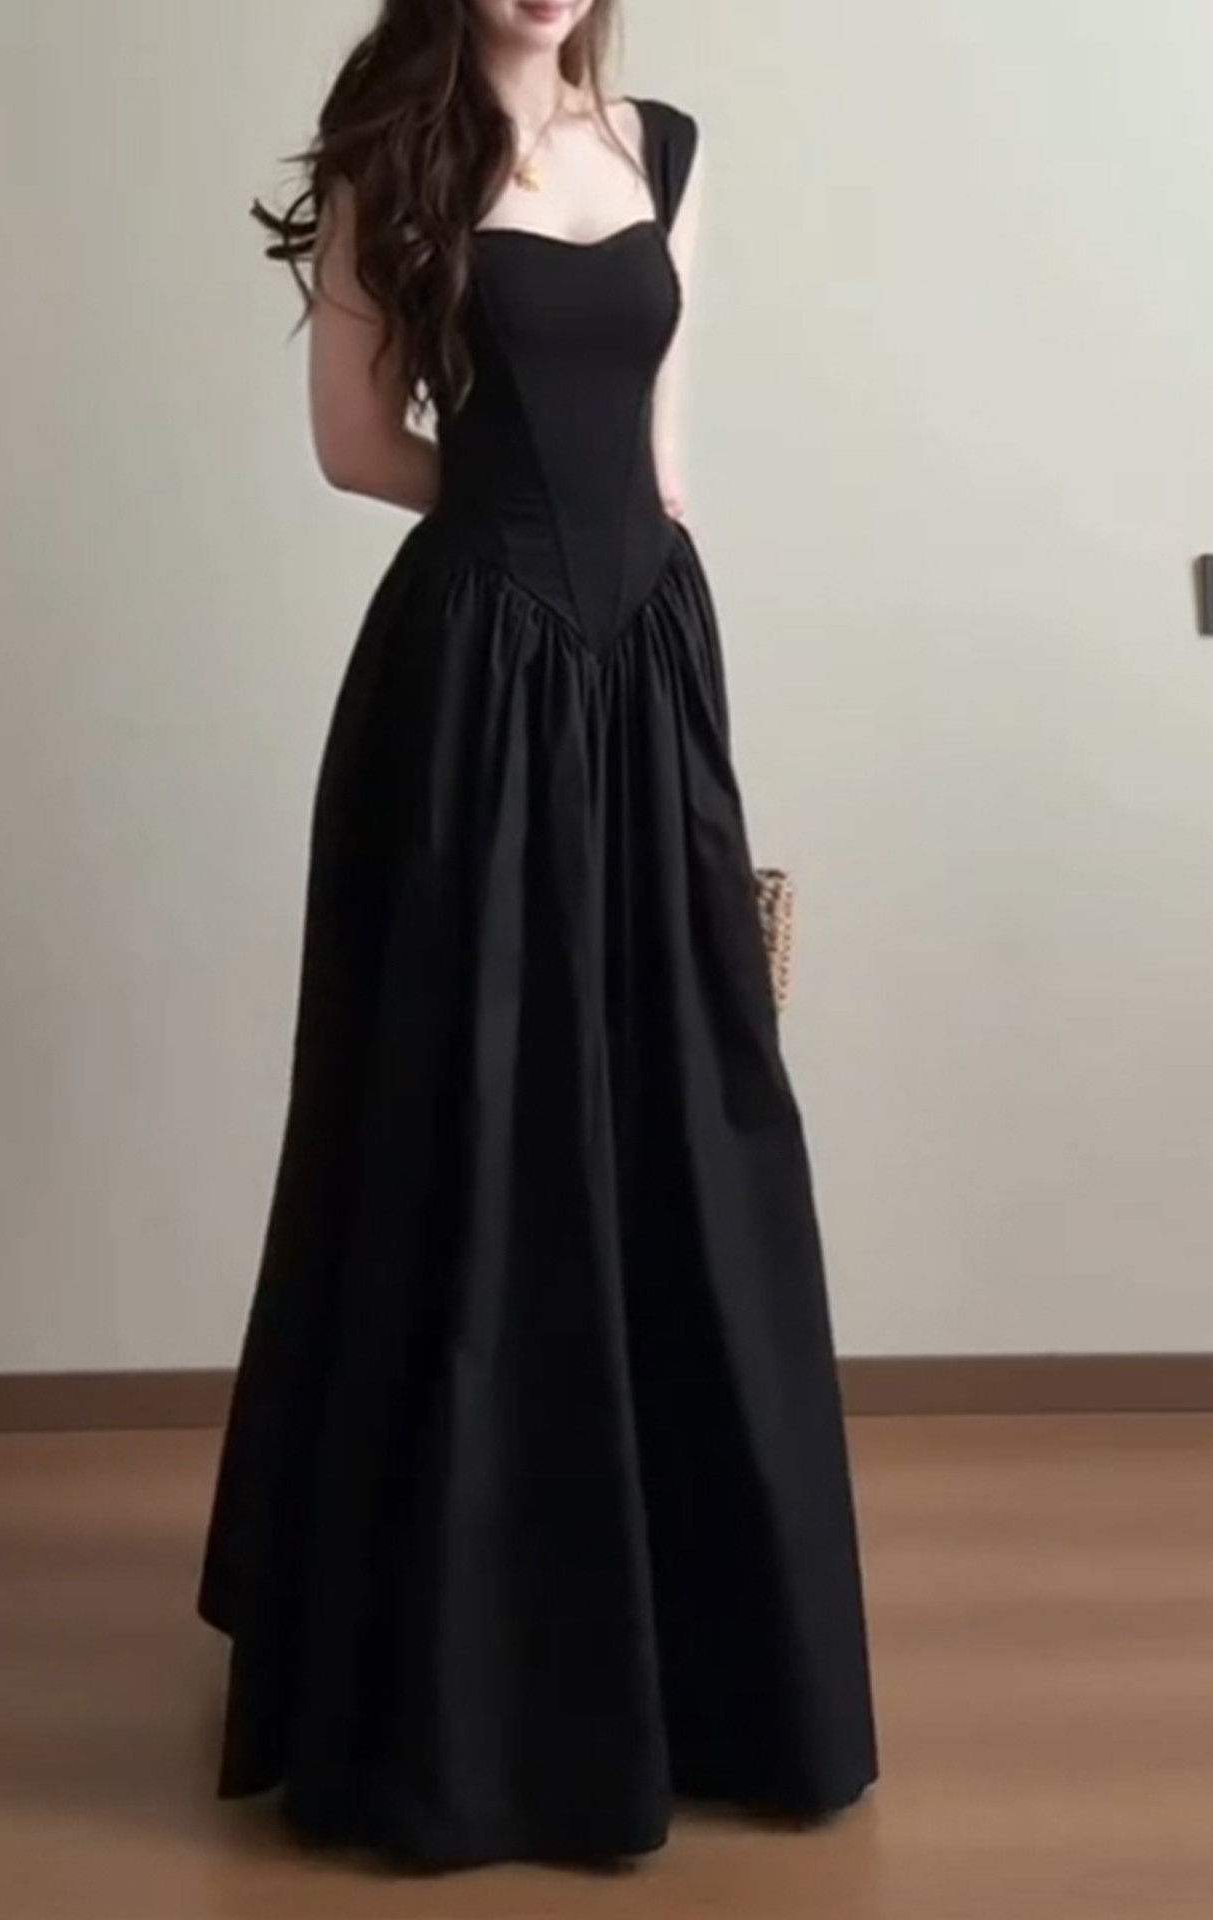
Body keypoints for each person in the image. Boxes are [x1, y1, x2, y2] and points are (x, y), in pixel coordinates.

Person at [199, 0, 878, 1871]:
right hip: (475, 678)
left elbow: (660, 440)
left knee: (687, 1114)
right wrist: (516, 508)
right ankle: (462, 1689)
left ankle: (707, 1669)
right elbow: (356, 447)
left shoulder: (664, 150)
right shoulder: (391, 157)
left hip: (652, 667)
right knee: (475, 1120)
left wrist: (634, 551)